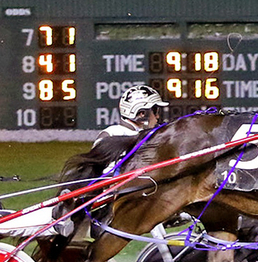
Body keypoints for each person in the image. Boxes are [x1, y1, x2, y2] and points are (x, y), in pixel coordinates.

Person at [0, 85, 167, 239]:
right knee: (22, 225)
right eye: (155, 110)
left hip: (99, 207)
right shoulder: (115, 134)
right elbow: (109, 177)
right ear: (141, 114)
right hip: (88, 209)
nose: (158, 116)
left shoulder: (142, 137)